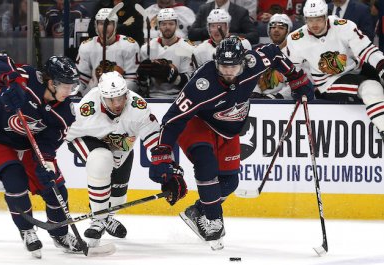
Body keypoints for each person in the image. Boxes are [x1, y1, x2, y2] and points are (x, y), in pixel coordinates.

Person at [148, 36, 314, 250]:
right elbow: (172, 120)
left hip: (227, 130)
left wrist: (296, 77)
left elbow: (273, 52)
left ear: (243, 63)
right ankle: (213, 220)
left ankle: (197, 210)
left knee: (230, 183)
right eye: (223, 67)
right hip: (198, 124)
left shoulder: (254, 63)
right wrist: (162, 157)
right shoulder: (202, 84)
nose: (228, 73)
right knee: (205, 162)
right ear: (216, 64)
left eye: (234, 67)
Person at [0, 55, 82, 258]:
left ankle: (60, 234)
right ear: (52, 83)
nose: (70, 91)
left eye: (72, 86)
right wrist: (9, 81)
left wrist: (45, 163)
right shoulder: (28, 79)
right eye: (67, 86)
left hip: (27, 146)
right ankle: (27, 230)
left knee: (56, 188)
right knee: (15, 180)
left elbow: (48, 143)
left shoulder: (65, 112)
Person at [65, 71, 185, 246]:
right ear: (101, 96)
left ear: (126, 93)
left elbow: (155, 138)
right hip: (85, 139)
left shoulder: (138, 107)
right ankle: (99, 220)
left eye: (121, 97)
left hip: (121, 148)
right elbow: (64, 131)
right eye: (111, 100)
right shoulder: (87, 108)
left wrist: (168, 168)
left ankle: (105, 217)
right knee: (101, 159)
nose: (117, 103)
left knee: (118, 198)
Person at [286, 0, 384, 140]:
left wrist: (381, 66)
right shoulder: (296, 39)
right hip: (329, 82)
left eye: (319, 19)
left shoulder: (344, 26)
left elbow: (366, 49)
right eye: (310, 19)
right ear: (305, 19)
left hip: (355, 70)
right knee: (372, 88)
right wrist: (297, 87)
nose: (314, 24)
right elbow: (292, 69)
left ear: (326, 16)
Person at [76, 8, 140, 96]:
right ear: (96, 25)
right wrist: (76, 94)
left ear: (115, 26)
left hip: (120, 97)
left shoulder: (130, 45)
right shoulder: (86, 46)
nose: (104, 27)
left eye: (108, 23)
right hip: (94, 95)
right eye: (101, 23)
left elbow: (132, 81)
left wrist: (115, 93)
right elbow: (82, 80)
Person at [137, 8, 195, 98]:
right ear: (158, 26)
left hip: (177, 98)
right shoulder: (146, 48)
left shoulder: (187, 47)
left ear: (176, 25)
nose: (167, 27)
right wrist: (142, 77)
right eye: (163, 24)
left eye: (171, 24)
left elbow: (190, 81)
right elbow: (142, 86)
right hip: (152, 96)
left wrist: (174, 77)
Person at [251, 13, 294, 99]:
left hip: (284, 102)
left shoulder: (296, 53)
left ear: (288, 31)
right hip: (257, 100)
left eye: (281, 28)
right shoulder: (258, 50)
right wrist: (255, 92)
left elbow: (297, 80)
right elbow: (251, 75)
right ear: (268, 30)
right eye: (273, 27)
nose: (276, 30)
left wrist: (278, 96)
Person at [188, 0, 259, 44]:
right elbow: (191, 34)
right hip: (208, 51)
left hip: (232, 52)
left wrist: (231, 36)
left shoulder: (240, 12)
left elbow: (254, 37)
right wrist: (211, 30)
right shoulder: (204, 9)